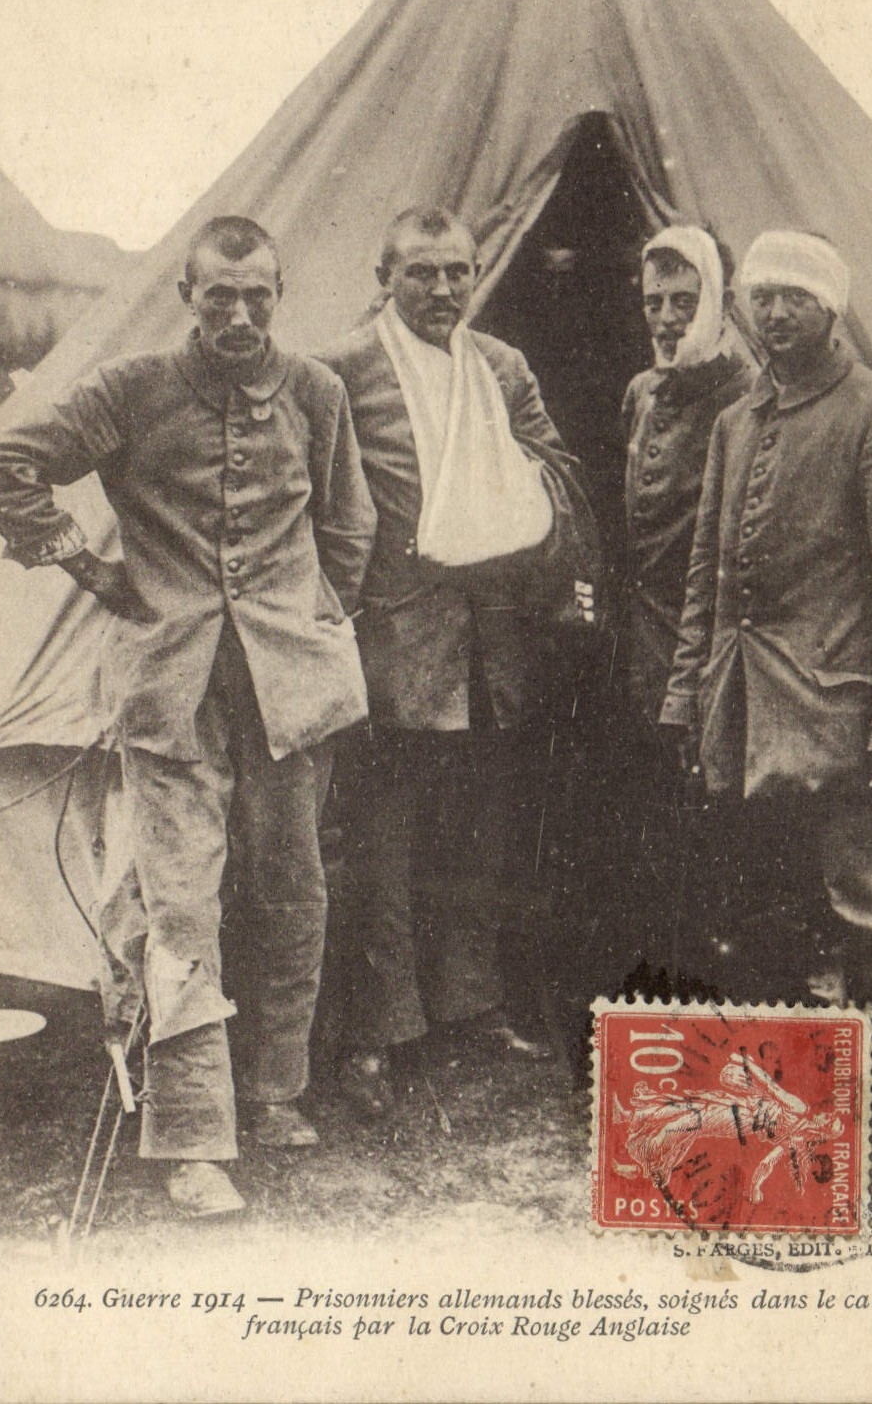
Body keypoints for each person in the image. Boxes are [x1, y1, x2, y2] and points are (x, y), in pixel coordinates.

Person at [0, 216, 376, 1217]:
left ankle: (277, 1092)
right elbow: (6, 461)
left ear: (278, 295)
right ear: (189, 297)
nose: (240, 316)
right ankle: (194, 1137)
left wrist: (318, 616)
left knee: (294, 886)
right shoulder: (133, 389)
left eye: (257, 298)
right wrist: (87, 563)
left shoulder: (316, 391)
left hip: (289, 690)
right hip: (170, 687)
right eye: (219, 298)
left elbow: (348, 520)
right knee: (182, 900)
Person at [659, 229, 872, 1204]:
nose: (776, 313)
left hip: (847, 728)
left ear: (832, 309)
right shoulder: (737, 422)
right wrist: (686, 699)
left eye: (797, 297)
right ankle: (800, 1133)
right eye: (762, 296)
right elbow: (707, 580)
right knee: (768, 926)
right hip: (748, 724)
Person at [320, 206, 597, 1114]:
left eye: (458, 274)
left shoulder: (501, 368)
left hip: (491, 646)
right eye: (422, 273)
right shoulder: (343, 370)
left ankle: (471, 1008)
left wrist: (498, 494)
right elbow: (318, 501)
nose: (443, 291)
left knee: (479, 841)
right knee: (382, 849)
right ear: (384, 276)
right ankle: (376, 1035)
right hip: (391, 645)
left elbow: (557, 475)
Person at [617, 227, 753, 979]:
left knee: (709, 821)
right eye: (653, 303)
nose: (667, 319)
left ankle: (705, 978)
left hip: (709, 642)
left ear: (720, 303)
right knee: (651, 813)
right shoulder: (641, 393)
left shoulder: (747, 397)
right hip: (644, 637)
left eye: (683, 301)